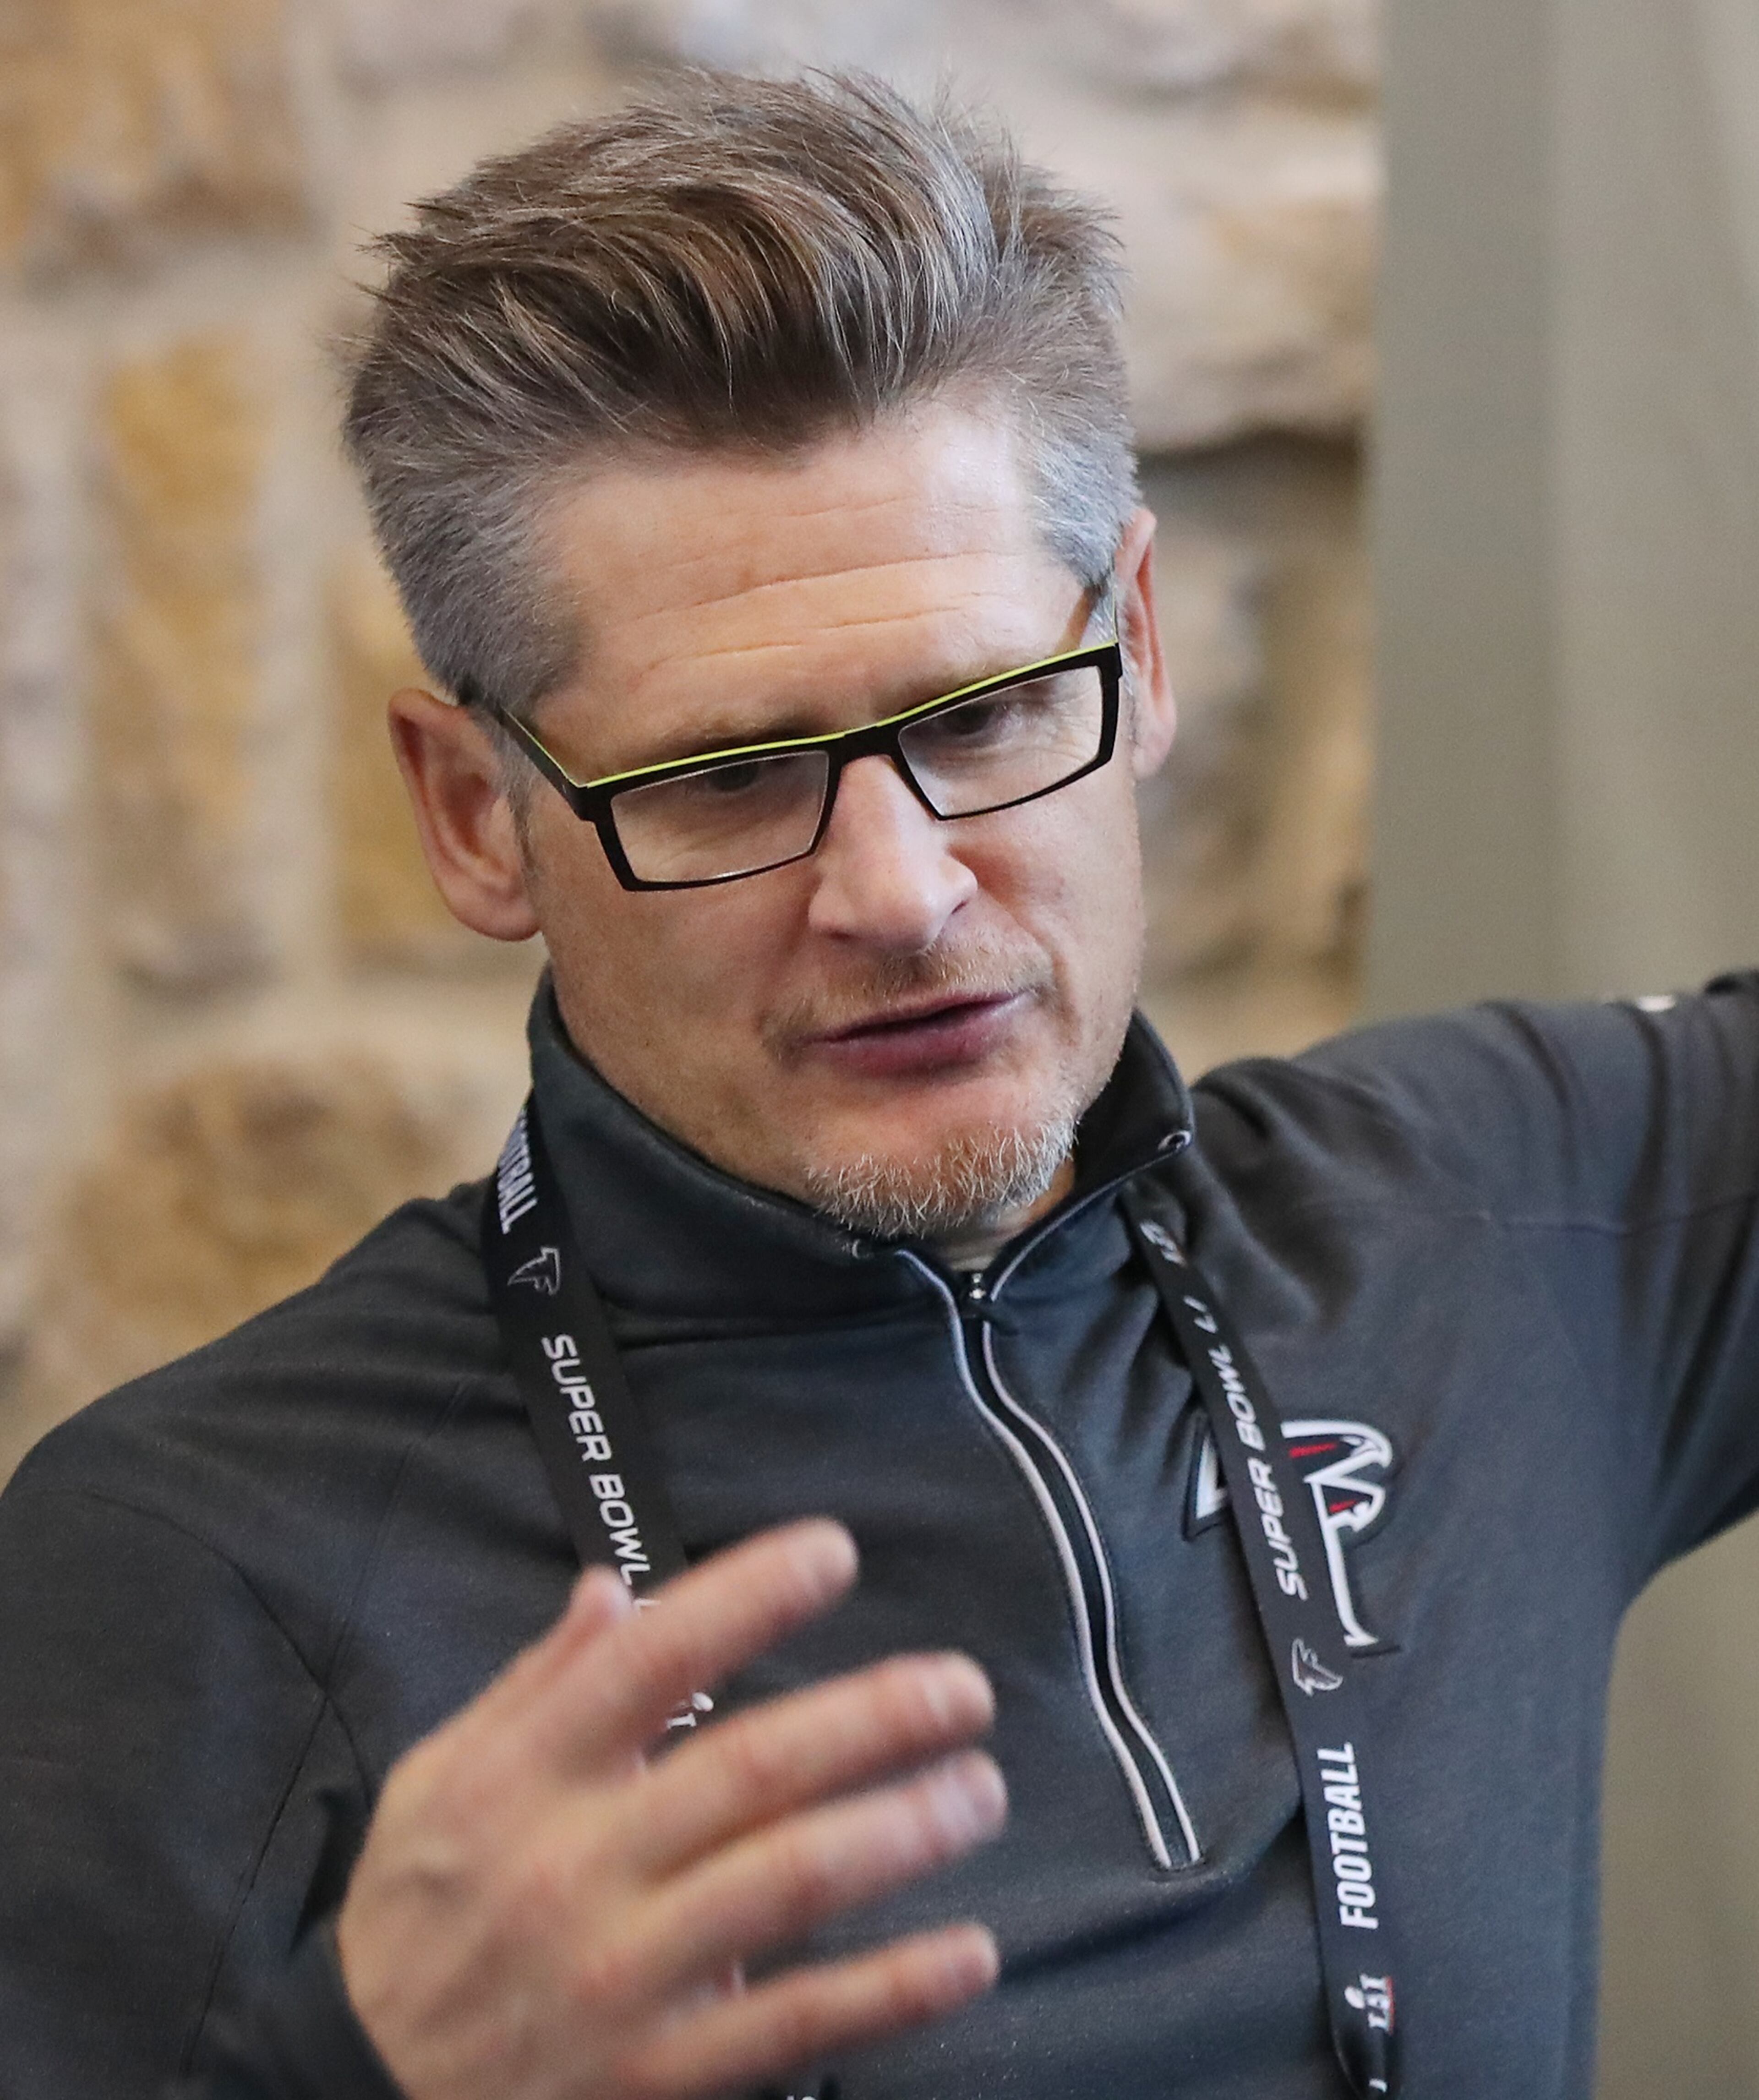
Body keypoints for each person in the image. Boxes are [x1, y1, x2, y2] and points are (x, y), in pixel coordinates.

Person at [2, 68, 1758, 2100]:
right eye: (726, 775)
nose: (901, 892)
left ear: (1146, 649)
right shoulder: (192, 1561)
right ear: (477, 815)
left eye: (995, 714)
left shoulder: (1497, 1225)